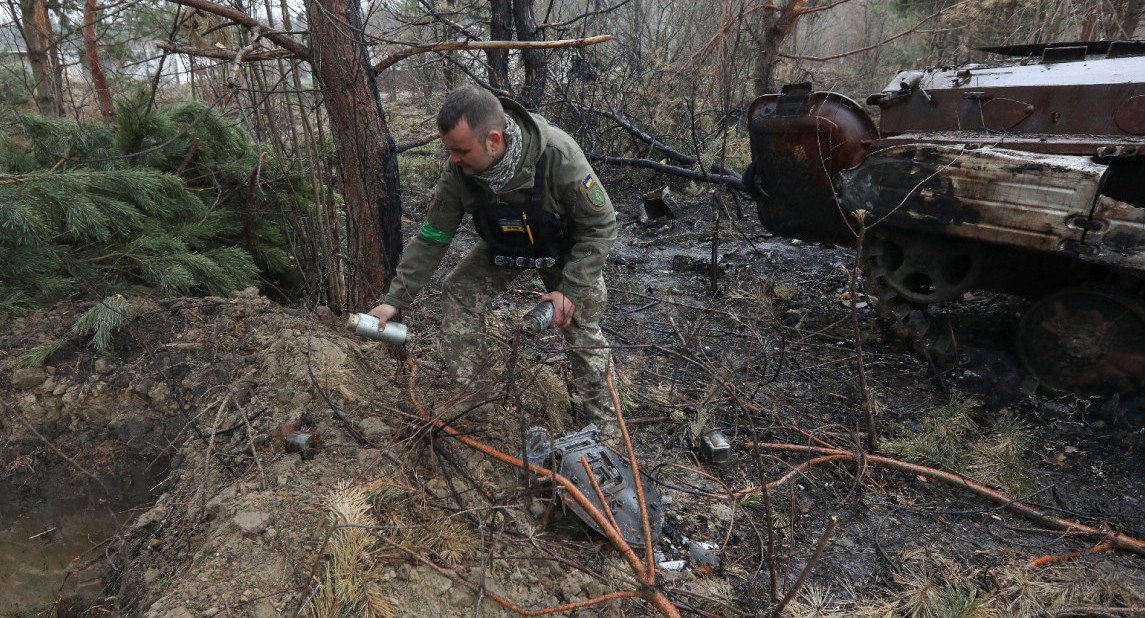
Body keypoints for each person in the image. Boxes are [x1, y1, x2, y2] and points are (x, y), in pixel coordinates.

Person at [367, 85, 618, 435]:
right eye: (450, 150)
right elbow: (433, 237)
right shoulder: (457, 171)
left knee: (581, 329)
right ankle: (480, 397)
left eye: (461, 150)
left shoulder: (558, 157)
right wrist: (394, 300)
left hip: (566, 250)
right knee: (458, 291)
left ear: (494, 141)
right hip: (505, 246)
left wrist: (571, 290)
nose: (453, 159)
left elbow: (601, 225)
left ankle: (607, 430)